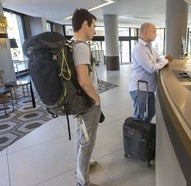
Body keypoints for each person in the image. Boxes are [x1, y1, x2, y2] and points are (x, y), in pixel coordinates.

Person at [71, 8, 101, 186]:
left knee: (81, 138)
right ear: (85, 25)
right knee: (87, 142)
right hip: (86, 103)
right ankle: (83, 182)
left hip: (77, 101)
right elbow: (83, 80)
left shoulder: (72, 43)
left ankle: (80, 167)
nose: (94, 31)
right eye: (93, 26)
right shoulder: (81, 46)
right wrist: (96, 98)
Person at [129, 22, 173, 122]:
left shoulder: (150, 47)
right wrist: (166, 60)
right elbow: (151, 68)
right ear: (146, 32)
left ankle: (144, 130)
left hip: (148, 88)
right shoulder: (139, 49)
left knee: (151, 111)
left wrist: (164, 61)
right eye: (154, 32)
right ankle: (137, 135)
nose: (156, 34)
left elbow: (158, 59)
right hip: (140, 88)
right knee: (139, 115)